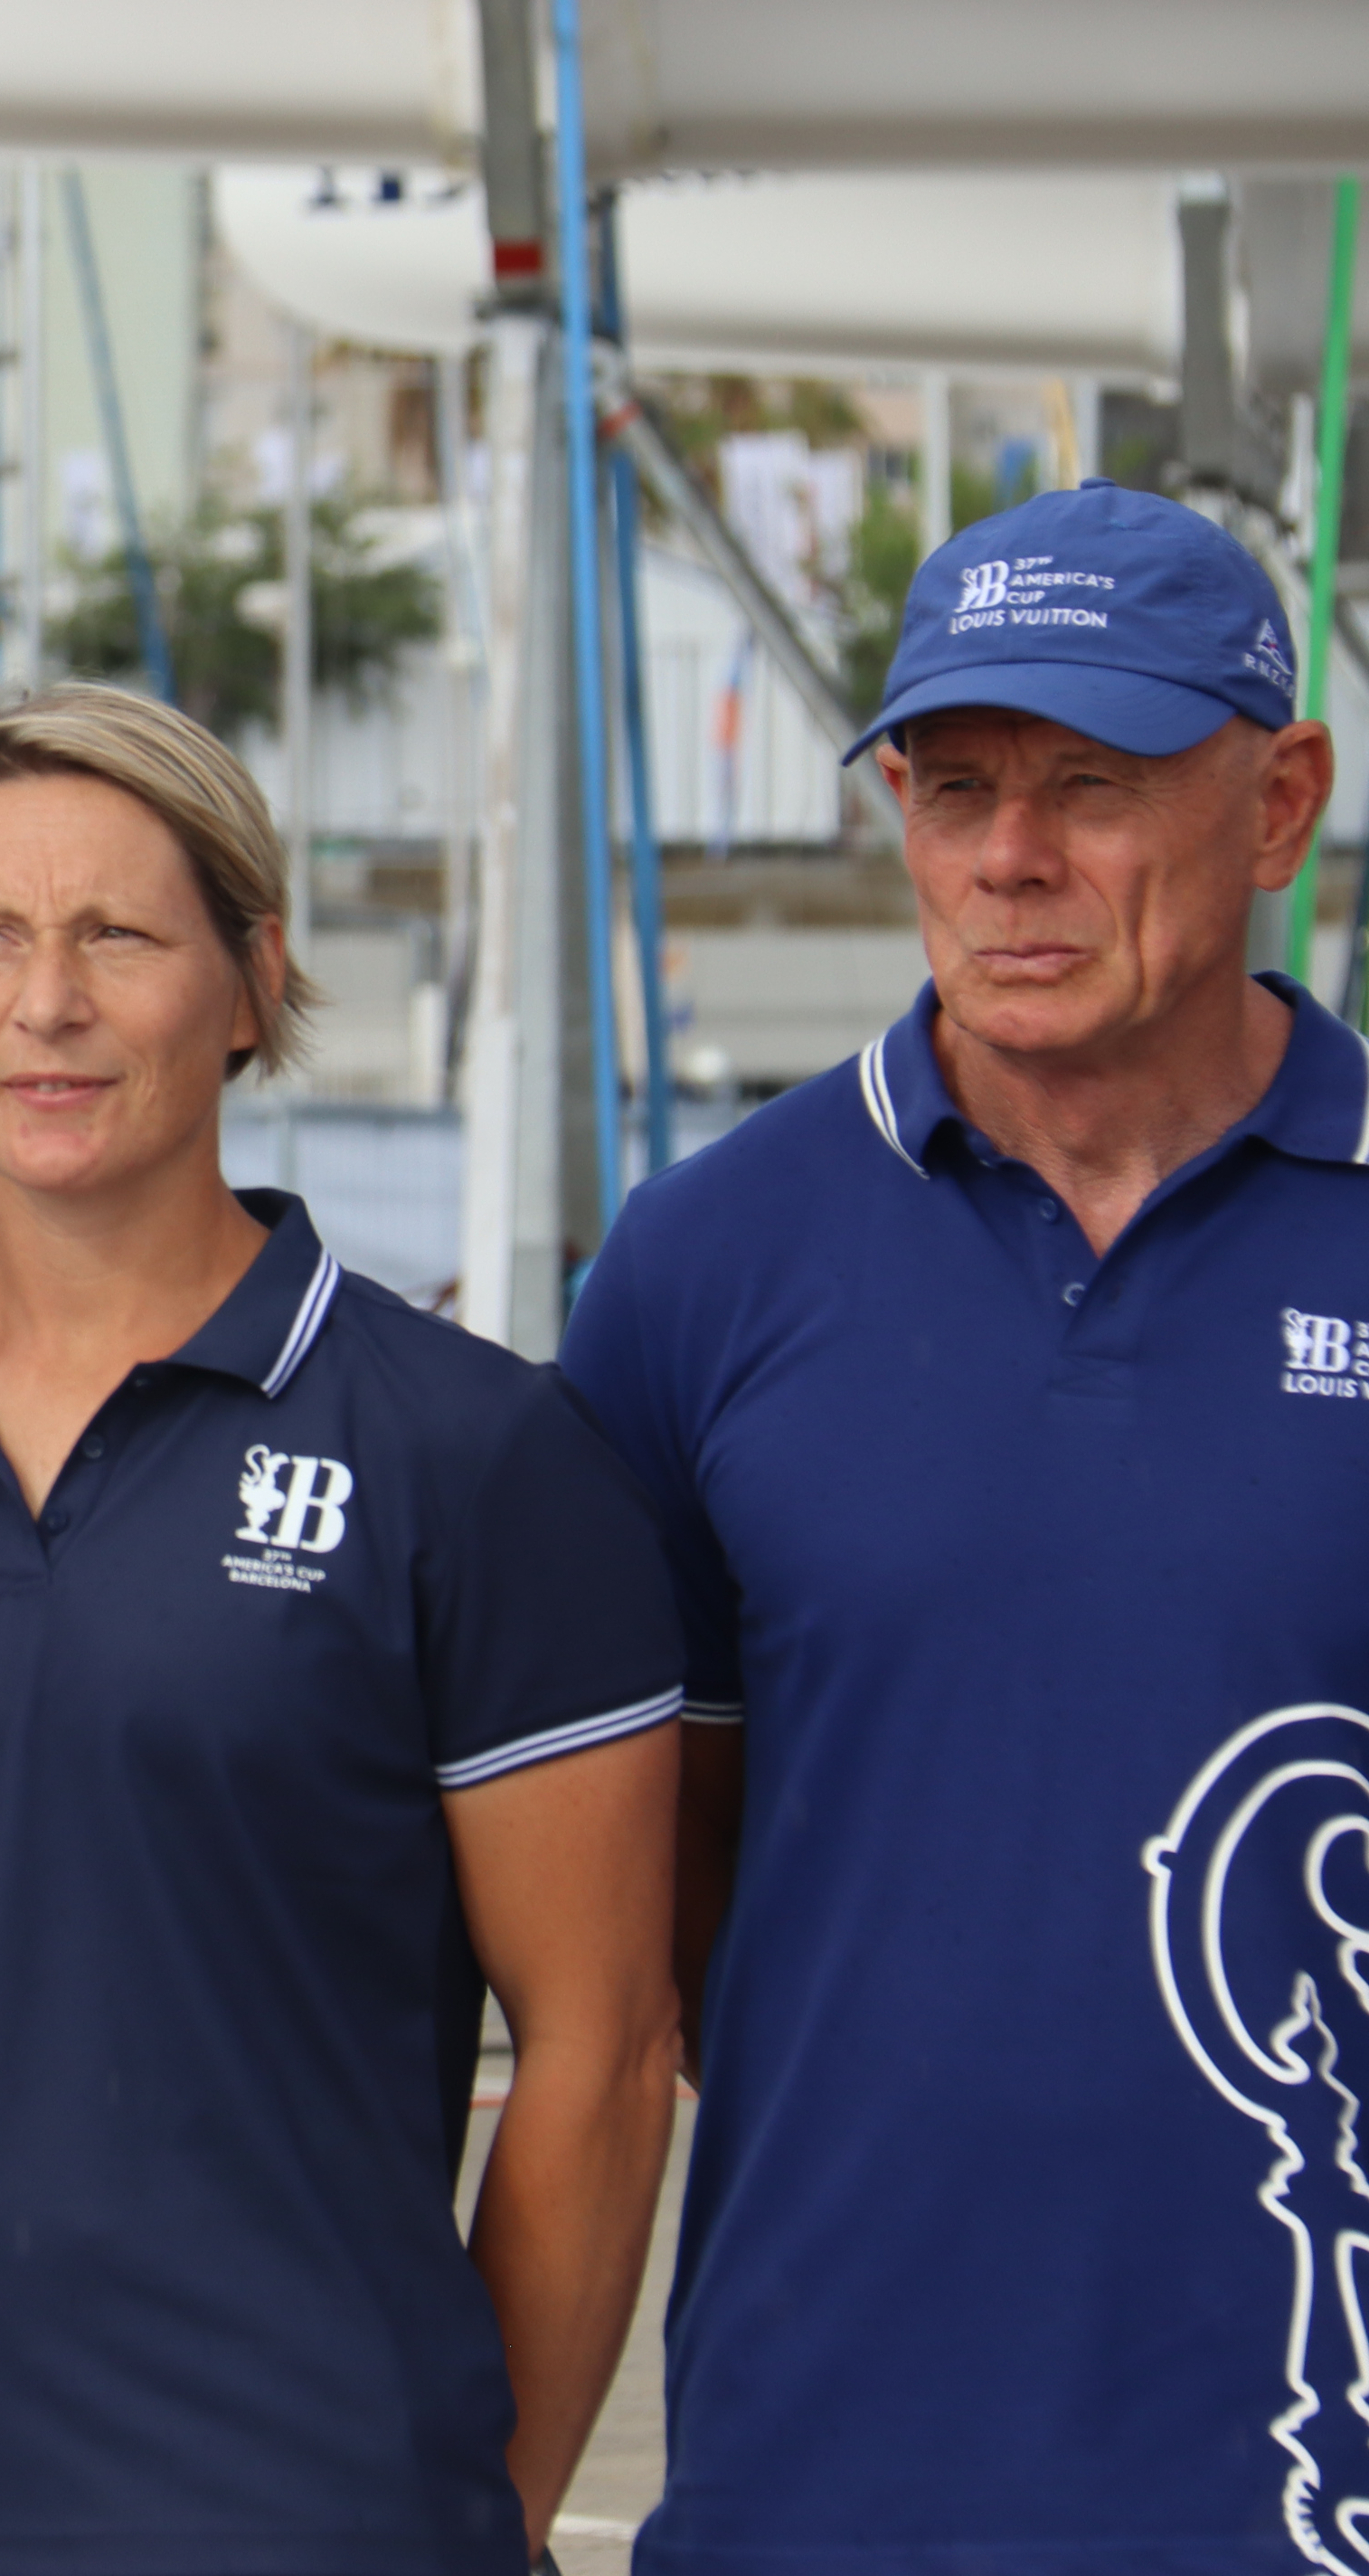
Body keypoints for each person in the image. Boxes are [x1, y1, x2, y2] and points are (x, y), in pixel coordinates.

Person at [0, 686, 685, 2575]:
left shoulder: (476, 1454)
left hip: (308, 2506)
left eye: (118, 936)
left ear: (249, 980)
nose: (45, 1002)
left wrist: (480, 2503)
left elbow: (601, 2051)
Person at [562, 480, 1353, 2572]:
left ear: (1280, 803)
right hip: (824, 2486)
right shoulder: (699, 1267)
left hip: (1308, 2480)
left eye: (1092, 784)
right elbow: (650, 1884)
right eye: (952, 783)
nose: (1008, 856)